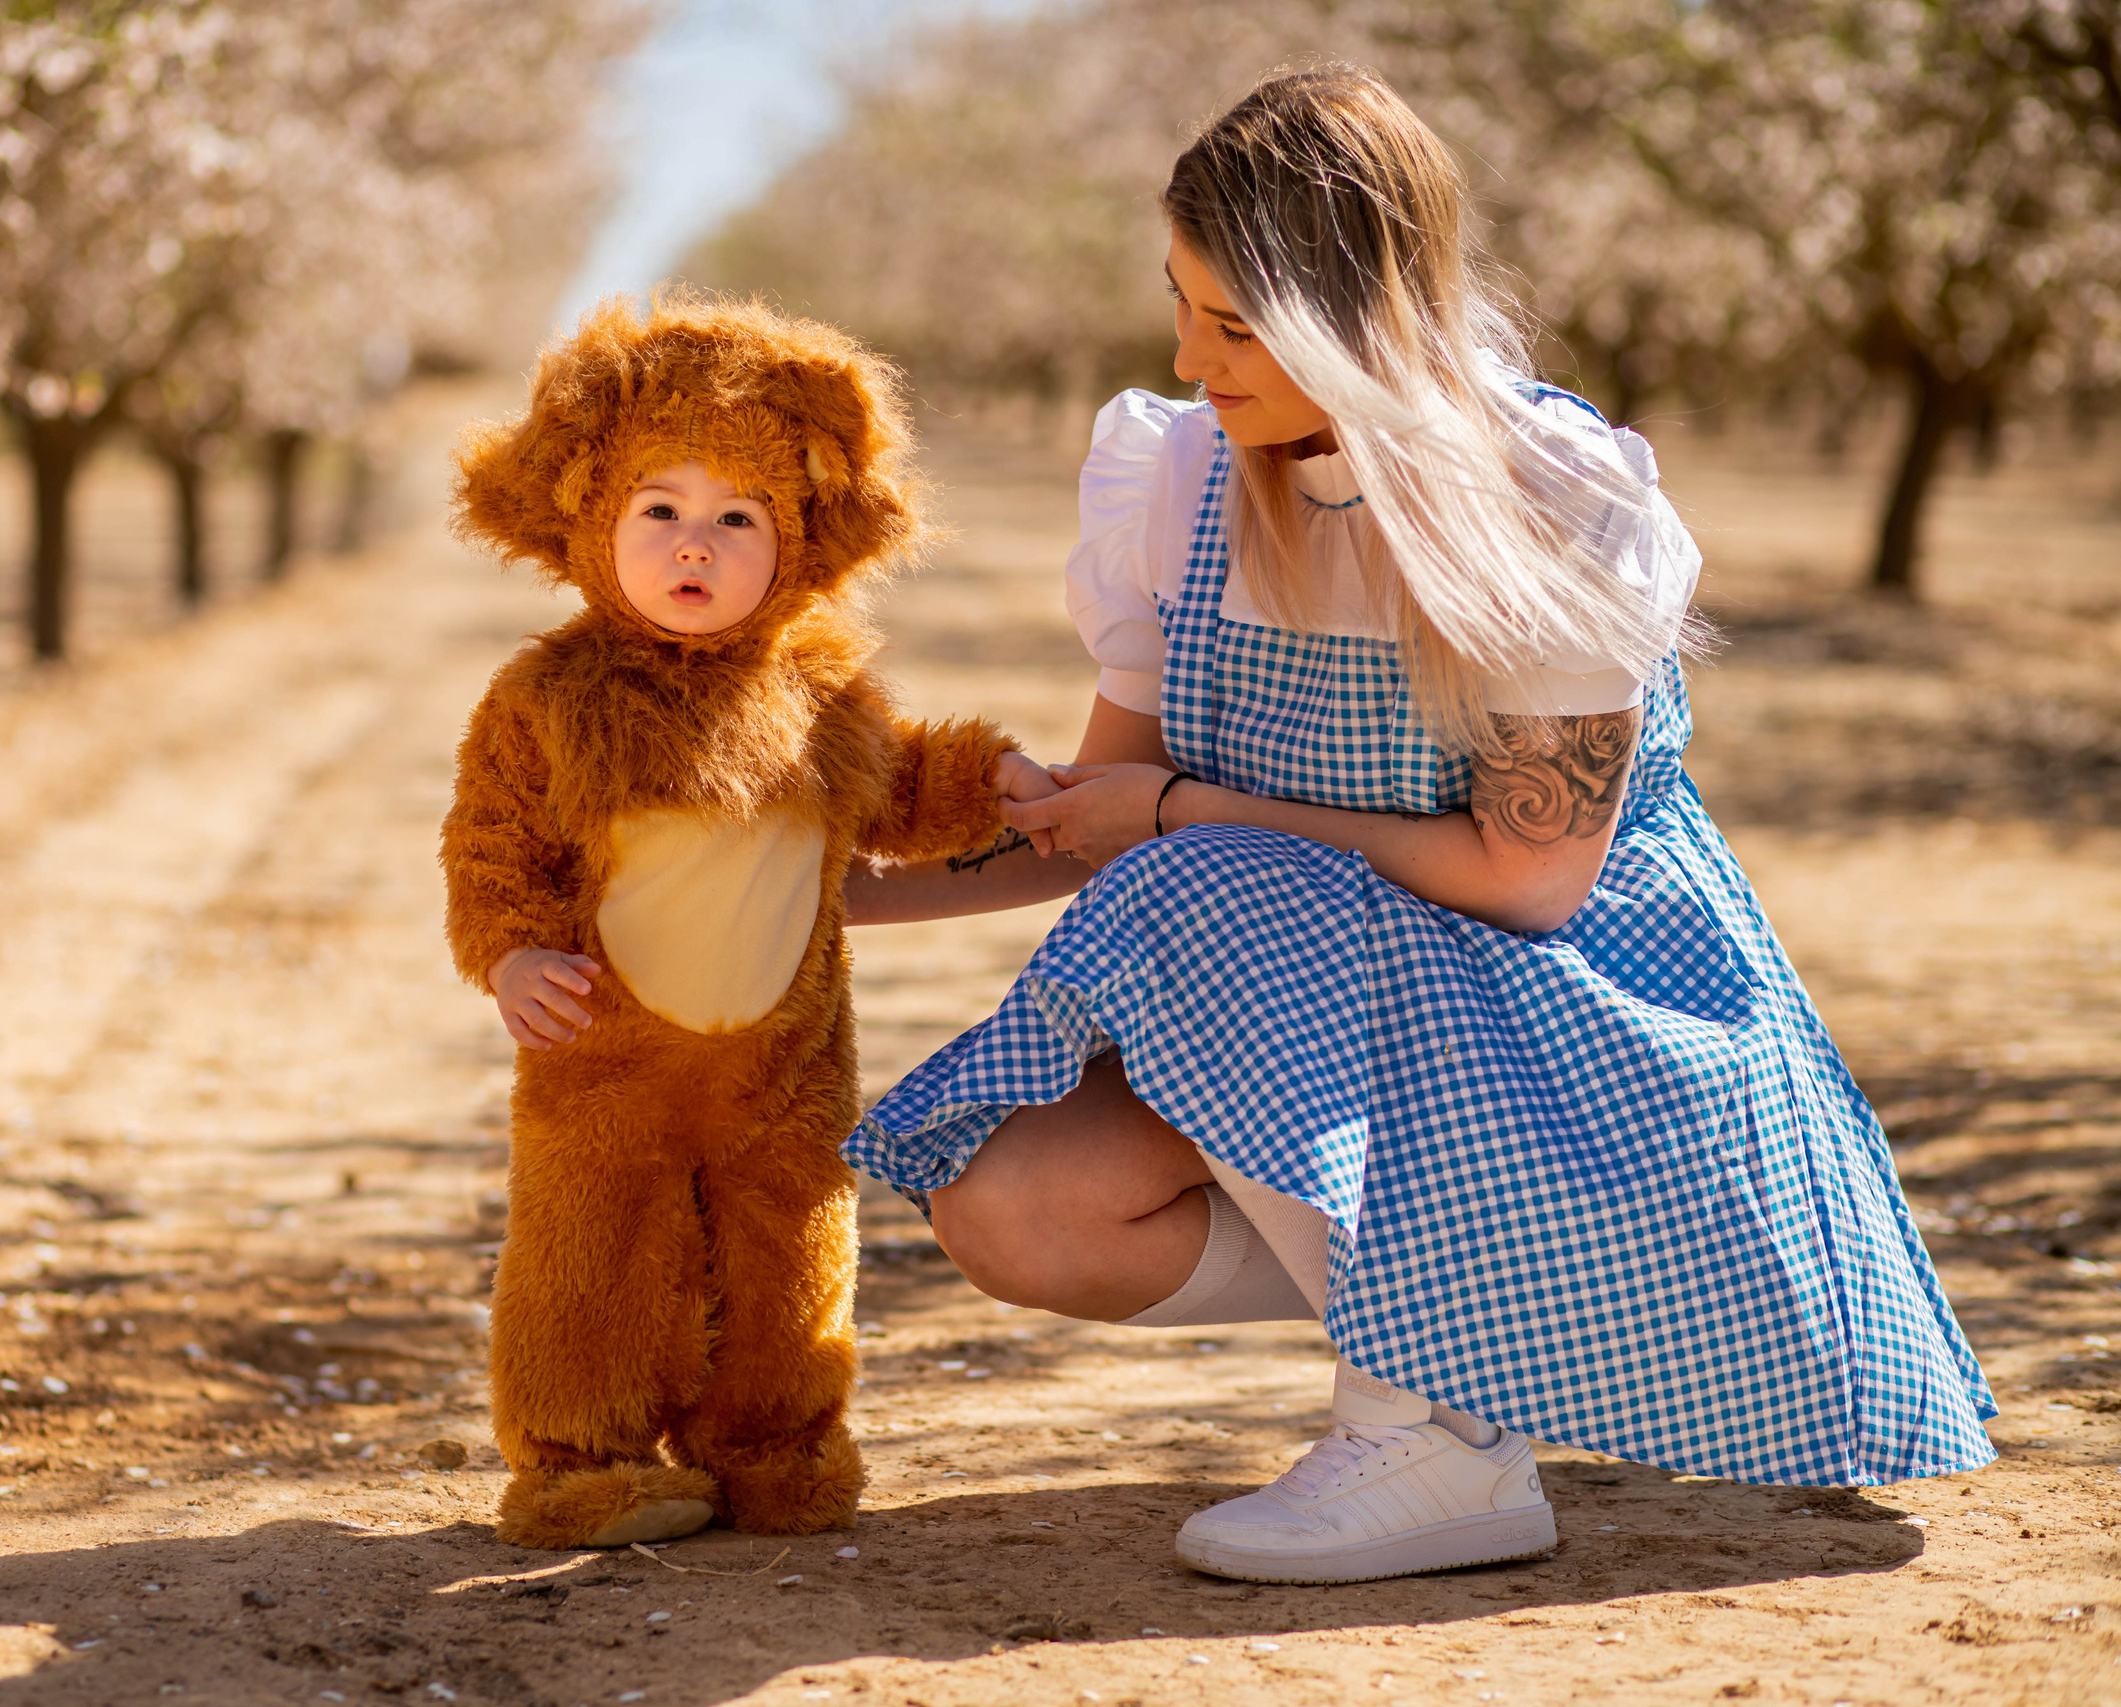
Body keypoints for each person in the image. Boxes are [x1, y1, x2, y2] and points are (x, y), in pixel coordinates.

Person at [843, 65, 1994, 1586]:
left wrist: (1187, 810)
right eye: (1180, 306)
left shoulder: (1541, 492)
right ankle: (1499, 1325)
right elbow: (1093, 819)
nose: (1192, 360)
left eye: (1238, 326)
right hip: (1370, 1039)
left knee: (1206, 881)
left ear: (1356, 319)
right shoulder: (1182, 480)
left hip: (1587, 1034)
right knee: (1018, 1203)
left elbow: (1529, 877)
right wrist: (823, 897)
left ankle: (1442, 1439)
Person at [440, 295, 1056, 1550]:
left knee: (790, 1250)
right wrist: (508, 955)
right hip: (604, 1055)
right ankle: (576, 1458)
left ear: (798, 537)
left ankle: (776, 1443)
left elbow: (899, 786)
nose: (694, 546)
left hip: (783, 1062)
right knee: (589, 1253)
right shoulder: (548, 696)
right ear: (592, 520)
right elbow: (489, 842)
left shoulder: (819, 688)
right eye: (658, 510)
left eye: (738, 518)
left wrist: (992, 783)